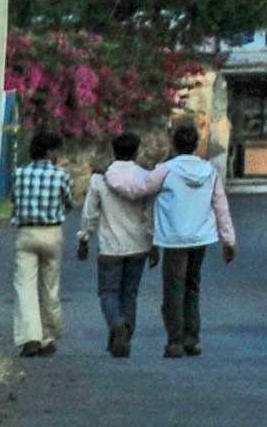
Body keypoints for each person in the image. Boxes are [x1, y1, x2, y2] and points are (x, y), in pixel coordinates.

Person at [148, 116, 238, 356]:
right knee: (192, 286)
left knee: (173, 289)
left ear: (174, 144)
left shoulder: (164, 171)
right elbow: (221, 206)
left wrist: (150, 239)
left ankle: (175, 340)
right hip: (200, 238)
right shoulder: (209, 171)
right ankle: (192, 338)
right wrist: (229, 241)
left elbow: (143, 192)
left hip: (173, 238)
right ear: (197, 145)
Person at [81, 130, 160, 357]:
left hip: (110, 247)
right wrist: (154, 243)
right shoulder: (146, 179)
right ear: (136, 152)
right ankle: (125, 331)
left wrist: (84, 238)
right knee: (129, 293)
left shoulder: (100, 180)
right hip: (139, 245)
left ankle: (116, 325)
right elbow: (151, 213)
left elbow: (90, 214)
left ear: (114, 152)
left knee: (108, 292)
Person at [6, 130, 73, 356]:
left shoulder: (19, 174)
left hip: (26, 233)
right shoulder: (61, 175)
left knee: (25, 287)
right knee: (49, 287)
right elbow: (68, 202)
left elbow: (14, 199)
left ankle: (30, 337)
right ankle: (48, 337)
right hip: (51, 233)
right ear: (50, 152)